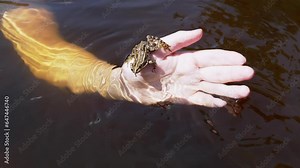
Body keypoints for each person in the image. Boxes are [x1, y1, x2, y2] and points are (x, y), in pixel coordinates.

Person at [1, 8, 254, 108]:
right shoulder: (15, 15)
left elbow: (56, 58)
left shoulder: (21, 12)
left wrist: (116, 83)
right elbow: (45, 53)